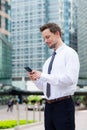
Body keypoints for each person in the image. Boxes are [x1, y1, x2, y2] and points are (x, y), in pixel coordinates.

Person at [28, 23, 80, 130]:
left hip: (63, 106)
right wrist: (36, 80)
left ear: (57, 34)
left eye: (48, 37)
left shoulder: (70, 53)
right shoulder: (47, 62)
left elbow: (70, 79)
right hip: (49, 107)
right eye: (44, 38)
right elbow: (46, 87)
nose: (45, 41)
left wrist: (43, 75)